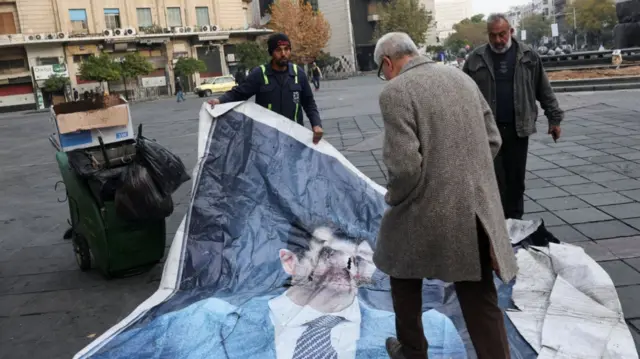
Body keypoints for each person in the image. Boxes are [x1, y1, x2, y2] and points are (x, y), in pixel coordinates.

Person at [93, 224, 466, 359]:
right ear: (290, 262)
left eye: (358, 259)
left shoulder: (429, 334)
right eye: (329, 253)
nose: (344, 268)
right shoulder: (204, 323)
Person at [371, 32, 518, 359]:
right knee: (479, 295)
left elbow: (406, 168)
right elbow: (493, 140)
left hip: (426, 209)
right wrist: (462, 174)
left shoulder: (396, 91)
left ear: (387, 63)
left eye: (383, 70)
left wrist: (395, 198)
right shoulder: (461, 78)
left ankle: (412, 350)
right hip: (476, 209)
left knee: (399, 267)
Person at [463, 14, 564, 220]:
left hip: (519, 129)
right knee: (493, 180)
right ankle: (497, 224)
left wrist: (554, 119)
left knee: (516, 180)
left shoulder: (529, 56)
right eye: (493, 36)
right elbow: (462, 94)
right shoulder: (475, 58)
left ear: (511, 32)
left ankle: (515, 222)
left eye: (502, 34)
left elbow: (543, 89)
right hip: (487, 131)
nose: (498, 40)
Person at [208, 33, 323, 144]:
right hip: (266, 140)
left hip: (294, 137)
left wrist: (316, 124)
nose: (283, 53)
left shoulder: (299, 74)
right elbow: (239, 93)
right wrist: (219, 101)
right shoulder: (259, 74)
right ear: (271, 52)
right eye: (278, 50)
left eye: (287, 49)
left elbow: (309, 103)